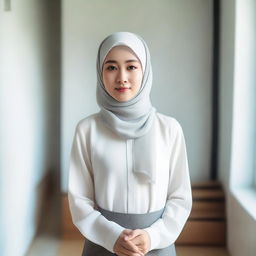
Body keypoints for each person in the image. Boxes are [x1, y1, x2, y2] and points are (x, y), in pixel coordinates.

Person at [68, 32, 192, 256]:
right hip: (101, 245)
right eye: (112, 67)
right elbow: (79, 200)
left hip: (156, 247)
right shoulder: (87, 130)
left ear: (145, 71)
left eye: (132, 67)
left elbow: (180, 197)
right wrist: (111, 236)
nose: (122, 77)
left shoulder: (169, 129)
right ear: (100, 72)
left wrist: (152, 236)